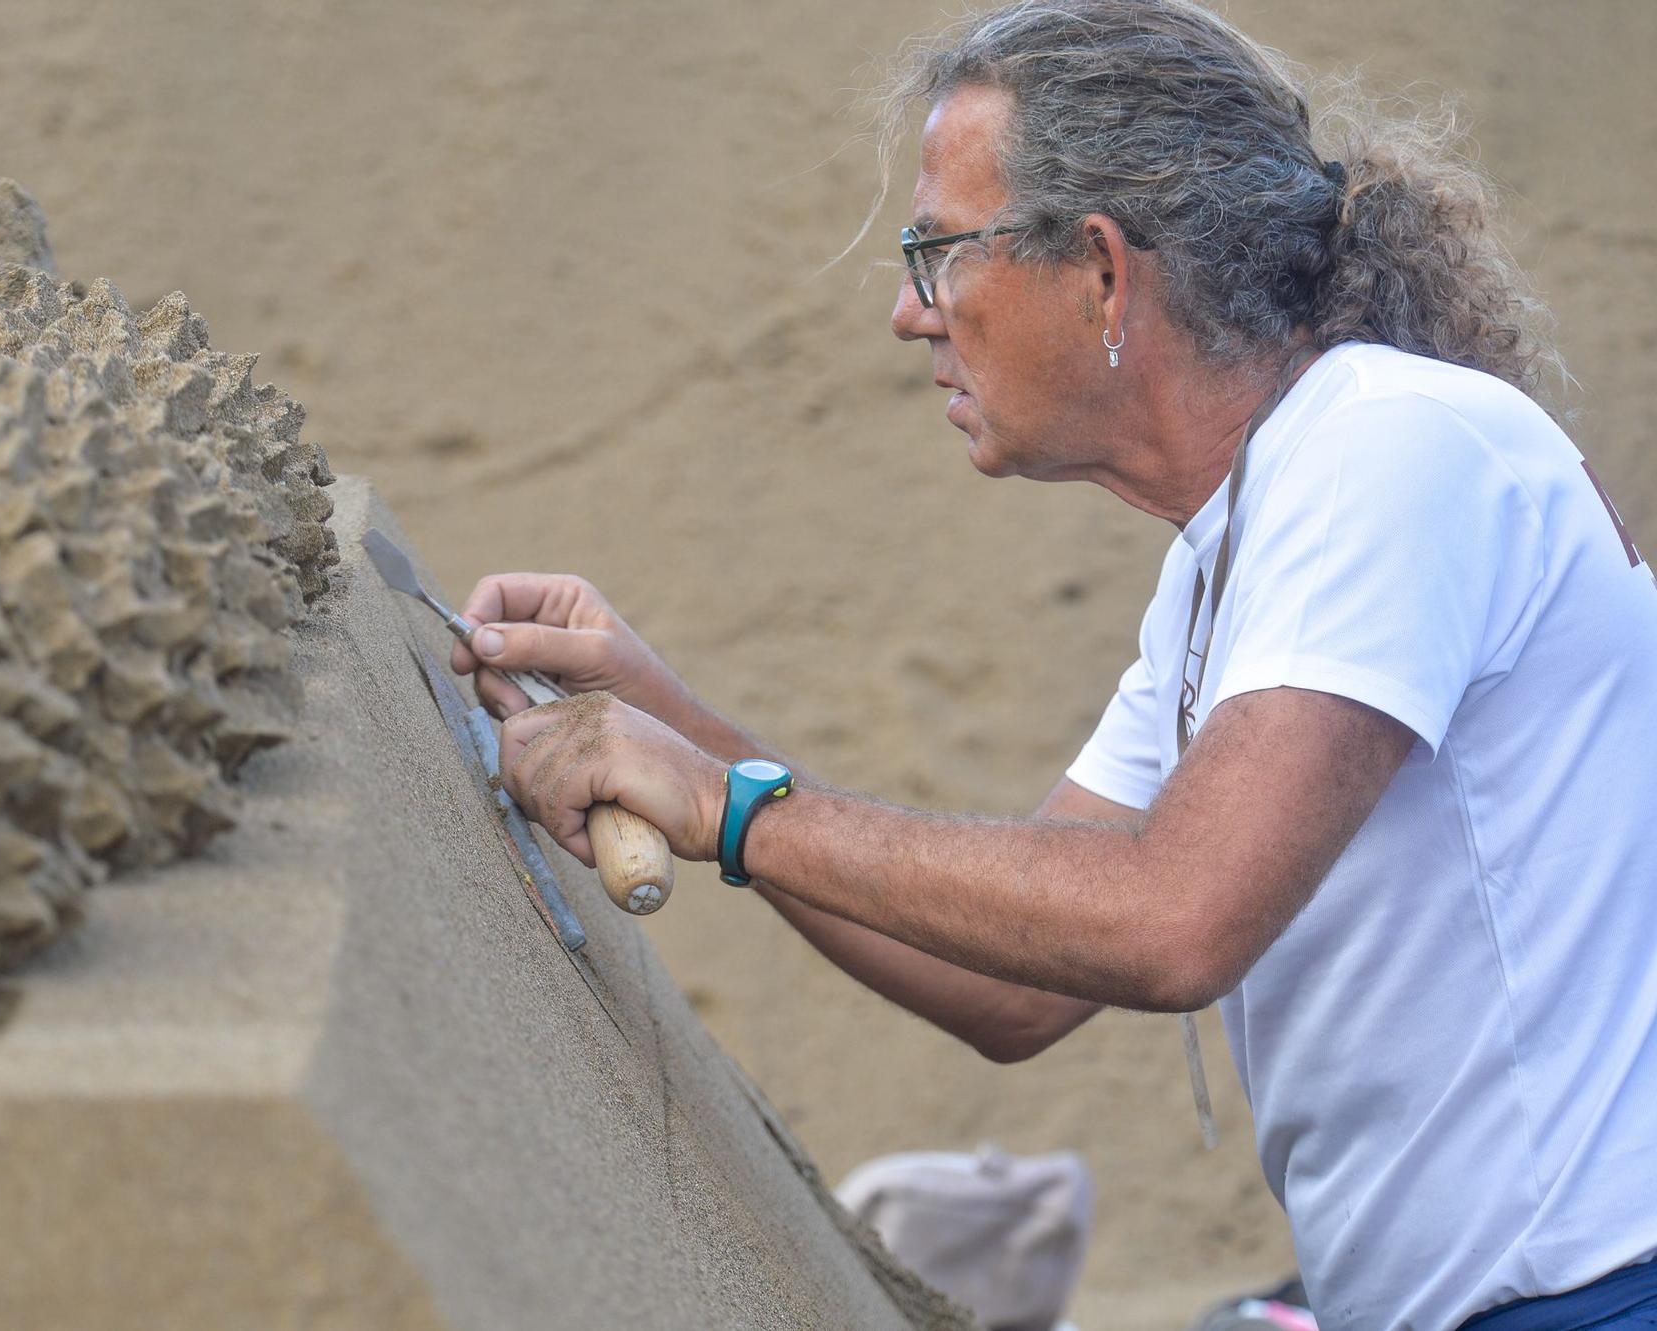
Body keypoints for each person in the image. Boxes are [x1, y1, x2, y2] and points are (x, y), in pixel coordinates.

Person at [446, 3, 1657, 1327]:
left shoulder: (1392, 447)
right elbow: (1015, 987)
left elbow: (1173, 917)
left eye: (938, 252)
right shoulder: (1232, 554)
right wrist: (663, 724)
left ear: (1101, 271)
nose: (911, 312)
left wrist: (722, 804)